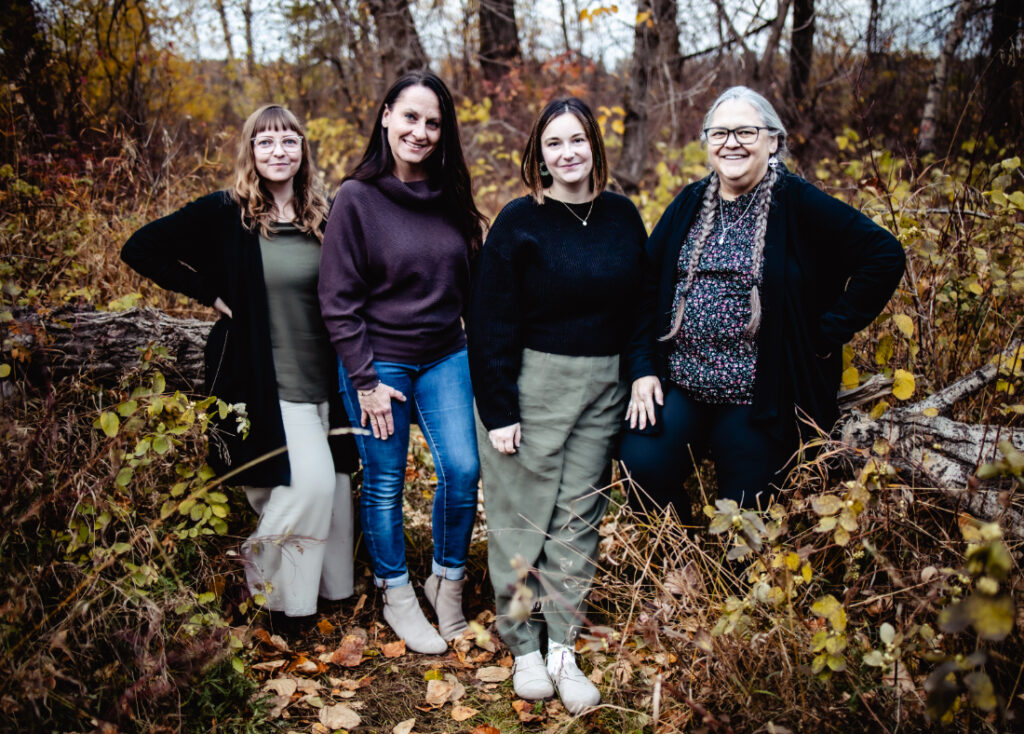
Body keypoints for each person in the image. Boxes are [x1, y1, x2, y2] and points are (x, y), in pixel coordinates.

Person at [121, 104, 360, 625]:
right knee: (309, 484)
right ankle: (261, 571)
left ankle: (303, 600)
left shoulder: (324, 212)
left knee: (335, 488)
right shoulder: (227, 212)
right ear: (250, 151)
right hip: (264, 380)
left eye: (290, 141)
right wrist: (207, 291)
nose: (279, 152)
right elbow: (140, 247)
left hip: (323, 378)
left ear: (304, 150)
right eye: (266, 142)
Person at [619, 86, 906, 517]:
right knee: (640, 466)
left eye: (745, 132)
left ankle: (733, 579)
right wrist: (643, 369)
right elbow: (644, 285)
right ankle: (682, 545)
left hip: (759, 398)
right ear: (707, 143)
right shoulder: (689, 203)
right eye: (719, 133)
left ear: (773, 141)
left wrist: (826, 333)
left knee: (747, 514)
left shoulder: (798, 202)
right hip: (685, 384)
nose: (731, 143)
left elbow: (884, 255)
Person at [467, 97, 649, 713]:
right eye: (553, 144)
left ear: (595, 145)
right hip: (532, 385)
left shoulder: (623, 217)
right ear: (537, 155)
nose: (567, 153)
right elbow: (490, 321)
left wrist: (642, 373)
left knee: (577, 522)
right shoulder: (519, 222)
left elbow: (642, 309)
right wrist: (498, 409)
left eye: (577, 141)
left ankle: (563, 647)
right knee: (522, 522)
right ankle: (522, 644)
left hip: (605, 388)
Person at [319, 70, 487, 655]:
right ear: (386, 114)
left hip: (445, 354)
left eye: (433, 123)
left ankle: (447, 581)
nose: (420, 131)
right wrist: (363, 381)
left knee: (463, 471)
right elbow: (336, 300)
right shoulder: (355, 199)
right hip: (378, 362)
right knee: (386, 482)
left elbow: (474, 292)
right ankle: (396, 593)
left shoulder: (452, 198)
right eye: (410, 117)